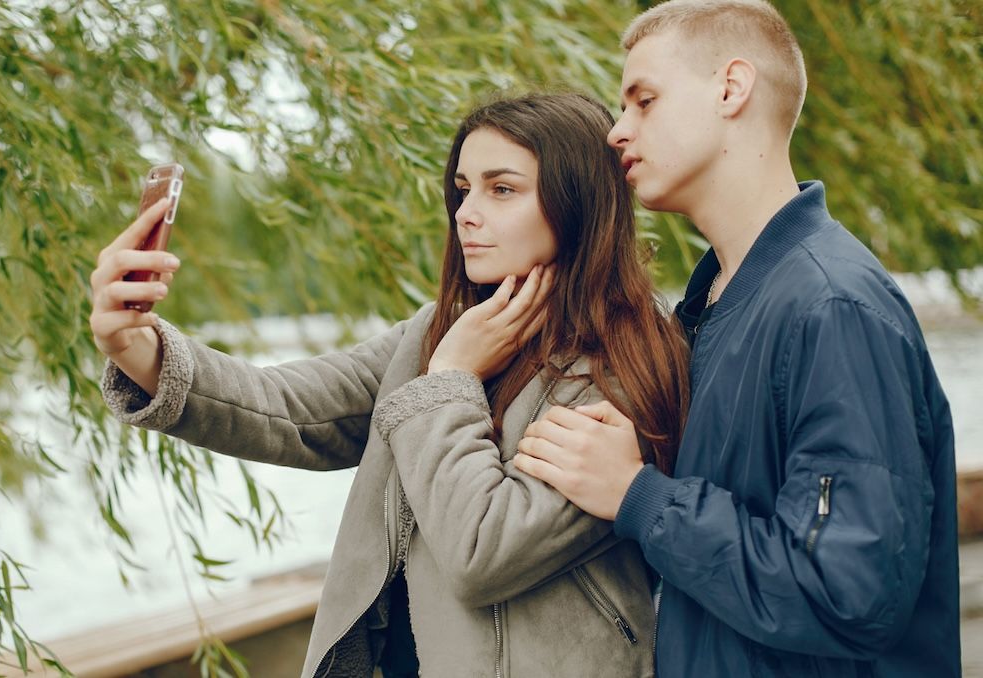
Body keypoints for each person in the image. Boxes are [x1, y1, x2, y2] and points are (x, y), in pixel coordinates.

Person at [90, 93, 689, 677]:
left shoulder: (626, 364)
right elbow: (288, 409)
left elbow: (485, 551)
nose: (466, 213)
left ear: (578, 202)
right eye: (462, 189)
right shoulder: (437, 332)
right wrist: (137, 346)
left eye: (501, 189)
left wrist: (452, 378)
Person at [513, 2, 961, 677]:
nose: (617, 132)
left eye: (644, 101)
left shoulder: (832, 306)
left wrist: (639, 495)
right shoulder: (712, 305)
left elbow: (847, 594)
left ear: (731, 88)